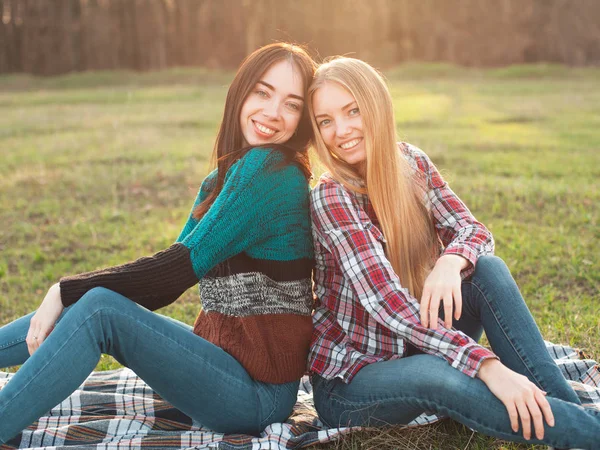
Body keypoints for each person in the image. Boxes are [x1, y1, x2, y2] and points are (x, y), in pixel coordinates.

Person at [0, 42, 316, 443]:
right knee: (101, 302)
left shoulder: (271, 173)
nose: (272, 112)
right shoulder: (222, 181)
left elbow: (169, 276)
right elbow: (158, 278)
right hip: (226, 368)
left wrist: (63, 290)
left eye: (292, 104)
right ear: (241, 92)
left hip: (258, 395)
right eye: (262, 92)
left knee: (99, 308)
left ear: (303, 120)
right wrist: (66, 296)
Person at [305, 57, 599, 449]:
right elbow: (390, 307)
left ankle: (562, 411)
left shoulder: (411, 161)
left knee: (486, 270)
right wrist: (487, 366)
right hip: (354, 380)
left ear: (376, 106)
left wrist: (449, 261)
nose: (341, 131)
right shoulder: (330, 195)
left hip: (420, 340)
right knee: (435, 373)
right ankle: (587, 432)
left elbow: (473, 230)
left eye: (352, 110)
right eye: (325, 121)